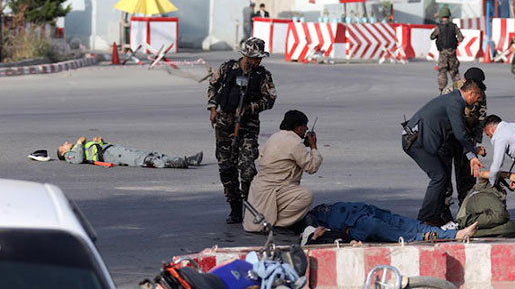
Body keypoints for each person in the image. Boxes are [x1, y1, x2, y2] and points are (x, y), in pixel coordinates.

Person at [207, 37, 277, 224]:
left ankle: (250, 205)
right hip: (224, 124)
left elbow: (270, 99)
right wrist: (213, 108)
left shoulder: (262, 75)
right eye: (256, 58)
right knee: (226, 168)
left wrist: (249, 108)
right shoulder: (227, 68)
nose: (258, 61)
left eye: (260, 58)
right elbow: (213, 85)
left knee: (247, 169)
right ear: (246, 55)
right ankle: (235, 207)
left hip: (248, 127)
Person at [402, 80, 484, 227]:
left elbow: (455, 133)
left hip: (424, 142)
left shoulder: (453, 99)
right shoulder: (455, 102)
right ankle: (425, 218)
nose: (478, 101)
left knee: (441, 177)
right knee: (439, 177)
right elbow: (460, 132)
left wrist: (472, 150)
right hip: (416, 142)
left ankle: (433, 216)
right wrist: (471, 156)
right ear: (471, 93)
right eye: (477, 97)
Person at [244, 110, 322, 232]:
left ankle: (273, 220)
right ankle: (280, 224)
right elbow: (312, 167)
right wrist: (313, 147)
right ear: (297, 127)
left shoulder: (275, 136)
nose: (306, 128)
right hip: (275, 188)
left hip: (261, 186)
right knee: (306, 195)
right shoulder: (295, 143)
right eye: (304, 126)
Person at [301, 202, 478, 245]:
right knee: (408, 235)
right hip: (360, 224)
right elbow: (315, 233)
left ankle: (455, 233)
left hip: (368, 211)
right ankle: (455, 235)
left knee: (413, 225)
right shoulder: (309, 221)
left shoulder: (314, 210)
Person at [440, 67, 488, 209]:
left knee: (466, 178)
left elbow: (481, 118)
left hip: (466, 139)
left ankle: (466, 209)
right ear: (465, 81)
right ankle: (444, 209)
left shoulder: (480, 93)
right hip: (449, 137)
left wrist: (474, 141)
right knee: (444, 177)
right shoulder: (450, 91)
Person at [57, 136, 202, 168]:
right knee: (144, 159)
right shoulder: (71, 155)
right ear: (63, 153)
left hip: (112, 149)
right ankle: (180, 163)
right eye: (62, 146)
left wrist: (99, 141)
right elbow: (78, 160)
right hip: (112, 155)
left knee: (151, 153)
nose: (65, 143)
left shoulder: (79, 148)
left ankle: (187, 160)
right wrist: (78, 143)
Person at [430, 6, 464, 92]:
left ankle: (442, 90)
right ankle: (460, 89)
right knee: (455, 72)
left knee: (442, 71)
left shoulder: (439, 27)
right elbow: (461, 38)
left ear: (441, 16)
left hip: (443, 53)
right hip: (452, 52)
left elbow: (432, 37)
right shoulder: (454, 27)